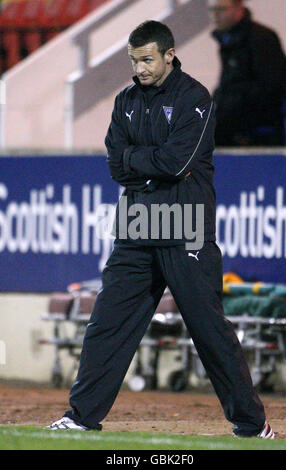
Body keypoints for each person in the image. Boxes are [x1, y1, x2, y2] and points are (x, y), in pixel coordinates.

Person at [48, 20, 274, 439]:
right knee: (107, 323)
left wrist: (141, 162)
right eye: (134, 60)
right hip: (136, 225)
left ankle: (252, 424)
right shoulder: (125, 100)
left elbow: (175, 163)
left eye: (147, 59)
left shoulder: (195, 99)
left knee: (208, 330)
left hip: (186, 226)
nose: (140, 68)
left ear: (169, 54)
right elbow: (116, 164)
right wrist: (147, 165)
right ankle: (80, 416)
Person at [208, 0, 286, 146]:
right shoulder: (228, 40)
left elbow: (272, 84)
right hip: (235, 116)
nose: (215, 15)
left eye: (221, 9)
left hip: (257, 120)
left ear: (238, 8)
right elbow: (228, 83)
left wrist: (230, 108)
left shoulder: (261, 38)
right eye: (212, 10)